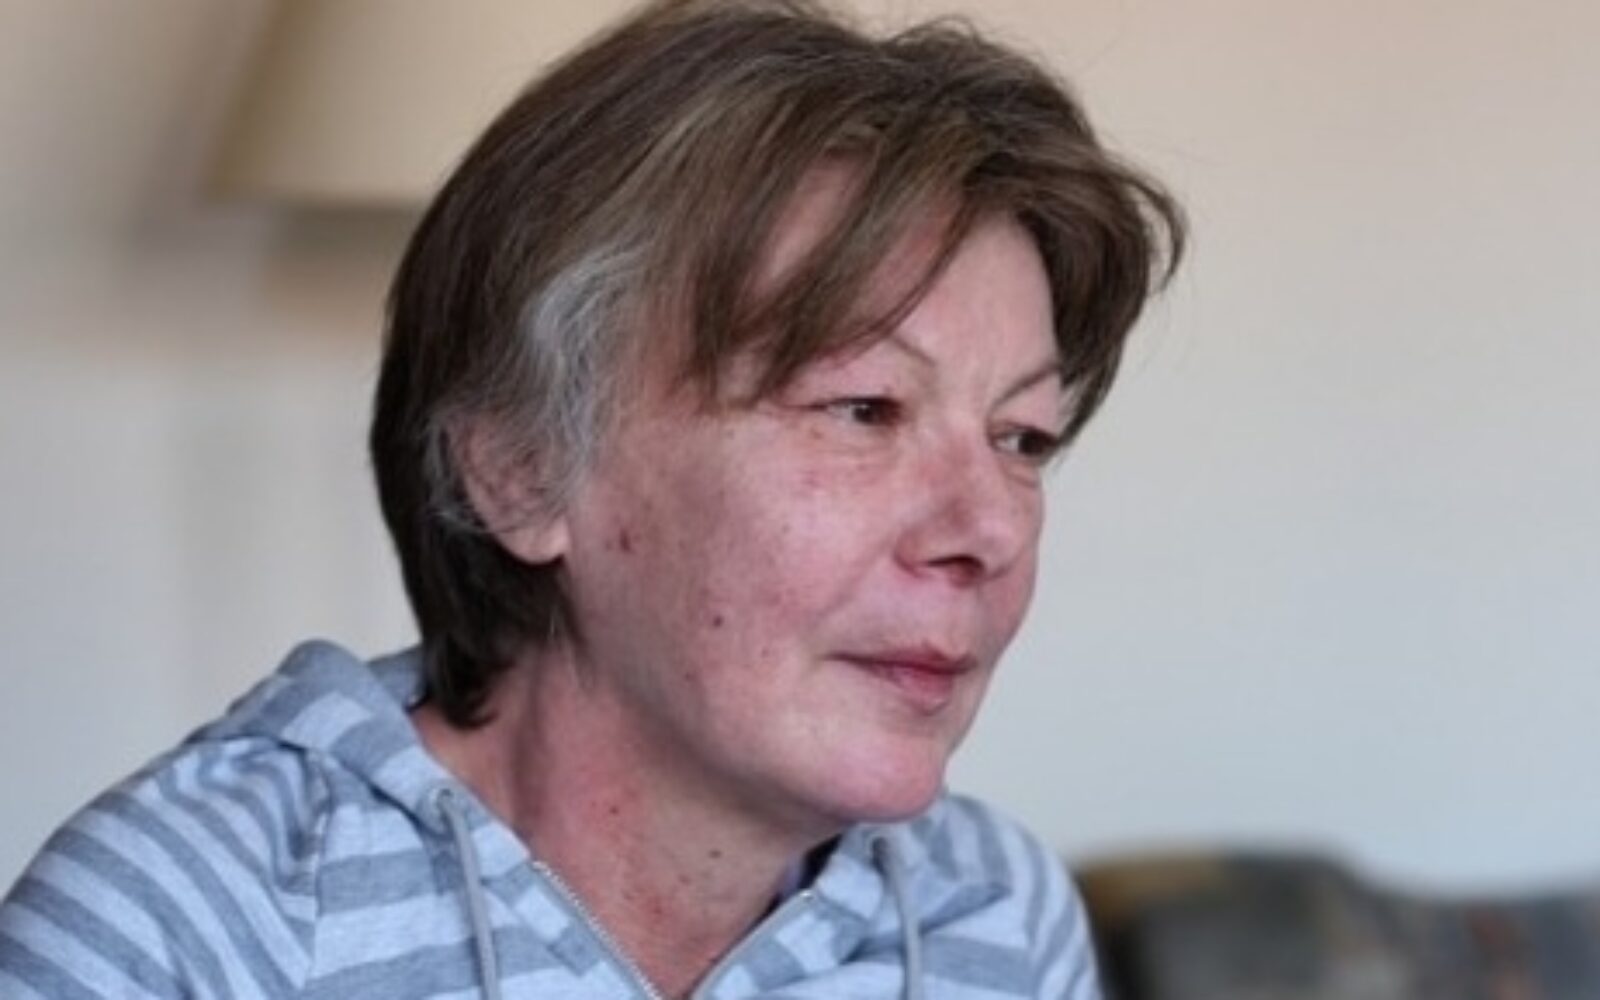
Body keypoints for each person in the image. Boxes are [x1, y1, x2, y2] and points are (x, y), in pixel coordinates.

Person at [0, 0, 1181, 996]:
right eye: (863, 408)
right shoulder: (187, 925)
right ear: (520, 468)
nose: (988, 529)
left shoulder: (997, 916)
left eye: (1022, 437)